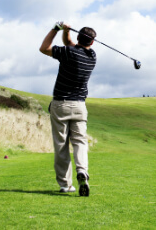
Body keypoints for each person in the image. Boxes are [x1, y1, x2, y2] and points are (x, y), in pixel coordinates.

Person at [39, 22, 97, 197]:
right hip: (79, 106)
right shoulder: (92, 56)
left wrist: (57, 28)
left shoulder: (67, 53)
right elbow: (70, 44)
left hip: (61, 104)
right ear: (92, 43)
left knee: (61, 145)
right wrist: (66, 32)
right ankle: (82, 172)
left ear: (78, 37)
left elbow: (44, 48)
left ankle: (65, 184)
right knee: (79, 142)